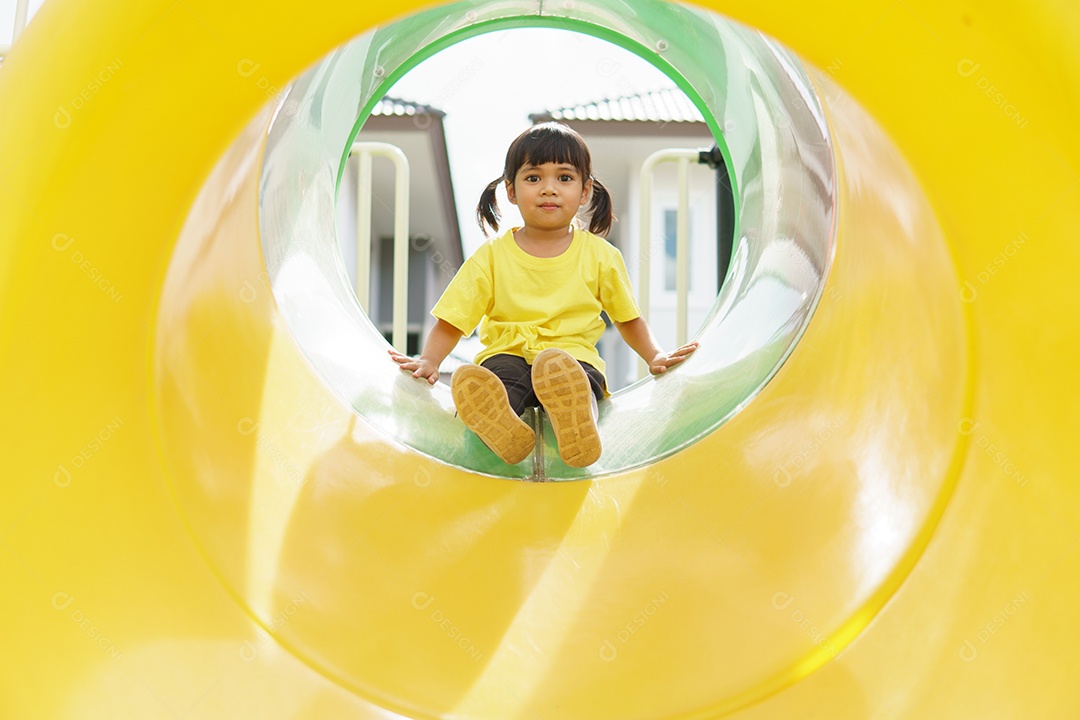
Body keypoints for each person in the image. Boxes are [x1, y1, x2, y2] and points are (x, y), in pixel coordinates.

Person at [390, 122, 698, 467]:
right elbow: (454, 320)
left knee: (580, 384)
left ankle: (577, 426)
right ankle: (501, 427)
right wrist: (430, 361)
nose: (548, 189)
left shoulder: (600, 255)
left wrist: (654, 355)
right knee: (498, 384)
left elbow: (628, 319)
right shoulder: (492, 255)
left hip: (571, 359)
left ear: (585, 192)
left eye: (564, 178)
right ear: (511, 190)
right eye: (533, 178)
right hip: (508, 355)